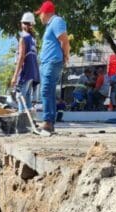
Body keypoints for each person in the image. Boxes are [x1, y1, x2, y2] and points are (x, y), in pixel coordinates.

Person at [35, 1, 70, 132]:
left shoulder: (57, 21)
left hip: (52, 61)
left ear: (46, 13)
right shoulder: (50, 25)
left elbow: (64, 40)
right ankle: (49, 122)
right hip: (46, 62)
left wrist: (66, 56)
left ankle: (48, 122)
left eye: (40, 14)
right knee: (47, 91)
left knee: (46, 91)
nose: (39, 17)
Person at [10, 13, 40, 112]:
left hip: (26, 73)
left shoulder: (23, 38)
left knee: (20, 97)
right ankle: (30, 120)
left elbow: (21, 57)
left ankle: (22, 123)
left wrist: (15, 76)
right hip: (33, 73)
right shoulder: (33, 40)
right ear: (32, 25)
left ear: (22, 24)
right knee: (27, 97)